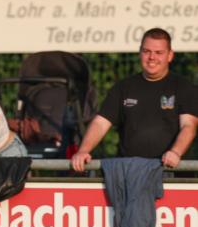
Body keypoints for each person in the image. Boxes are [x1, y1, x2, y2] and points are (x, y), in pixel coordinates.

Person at [71, 28, 198, 172]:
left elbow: (189, 127)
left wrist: (175, 152)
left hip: (170, 172)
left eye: (159, 53)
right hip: (128, 172)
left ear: (170, 55)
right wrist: (83, 150)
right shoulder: (123, 87)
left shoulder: (183, 87)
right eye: (146, 51)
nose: (152, 57)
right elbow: (100, 123)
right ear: (140, 53)